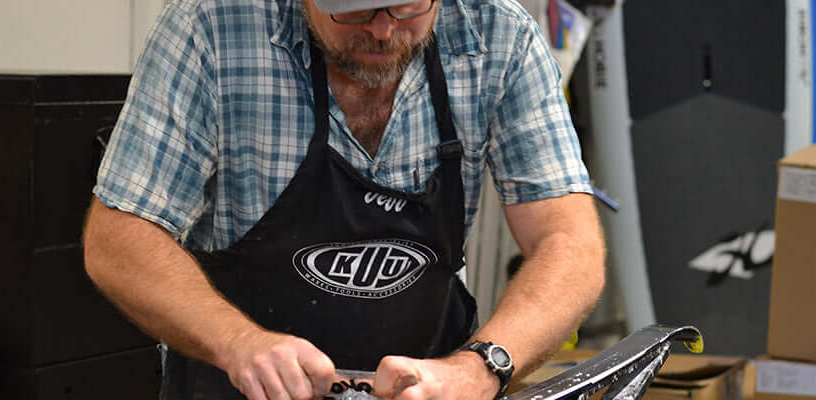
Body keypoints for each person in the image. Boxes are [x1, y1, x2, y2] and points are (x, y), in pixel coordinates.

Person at [81, 0, 606, 399]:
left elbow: (569, 242)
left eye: (406, 7)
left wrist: (479, 369)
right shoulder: (212, 29)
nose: (381, 29)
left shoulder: (499, 34)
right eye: (352, 10)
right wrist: (239, 343)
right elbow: (119, 236)